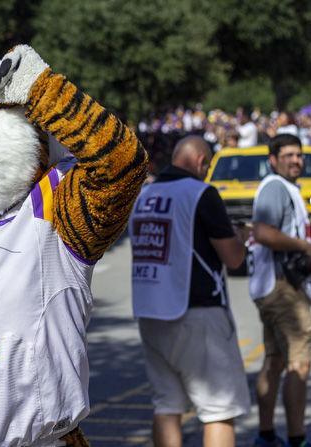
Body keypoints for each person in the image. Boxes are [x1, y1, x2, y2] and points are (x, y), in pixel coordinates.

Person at [129, 135, 250, 447]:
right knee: (218, 410)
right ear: (199, 161)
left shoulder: (144, 195)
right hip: (197, 311)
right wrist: (240, 237)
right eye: (207, 165)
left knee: (166, 405)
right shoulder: (200, 193)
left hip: (150, 309)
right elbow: (233, 258)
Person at [249, 133, 311, 447]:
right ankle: (298, 437)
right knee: (299, 362)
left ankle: (266, 434)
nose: (295, 160)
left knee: (274, 361)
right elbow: (262, 232)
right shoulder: (275, 187)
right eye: (287, 155)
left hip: (271, 286)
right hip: (283, 287)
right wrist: (305, 247)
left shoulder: (285, 188)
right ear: (273, 160)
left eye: (298, 155)